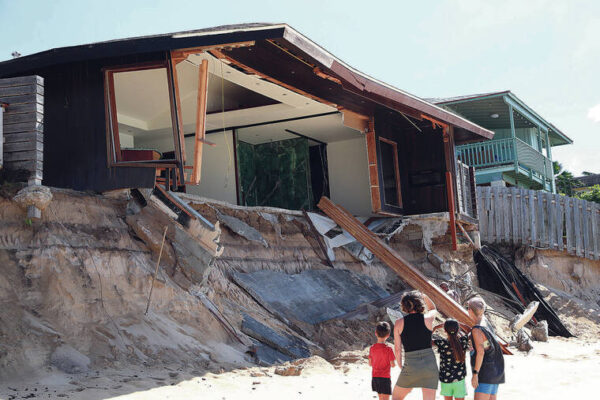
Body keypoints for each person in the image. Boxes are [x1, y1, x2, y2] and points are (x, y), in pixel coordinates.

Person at [392, 291, 438, 400]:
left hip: (411, 364)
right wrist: (425, 296)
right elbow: (433, 309)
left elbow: (397, 349)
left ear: (404, 306)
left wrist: (400, 365)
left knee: (396, 397)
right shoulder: (427, 318)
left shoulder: (399, 323)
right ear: (420, 303)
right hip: (429, 364)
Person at [467, 297, 505, 399]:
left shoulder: (477, 330)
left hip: (485, 373)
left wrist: (475, 374)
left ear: (470, 310)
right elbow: (487, 346)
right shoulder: (485, 322)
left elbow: (481, 353)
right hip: (495, 371)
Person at [432, 319, 471, 400]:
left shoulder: (442, 343)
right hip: (459, 379)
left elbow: (426, 340)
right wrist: (459, 323)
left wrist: (435, 328)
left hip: (445, 380)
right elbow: (471, 331)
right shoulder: (463, 341)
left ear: (445, 330)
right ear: (458, 329)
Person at [369, 321, 396, 400]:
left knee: (380, 398)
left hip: (375, 377)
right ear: (388, 335)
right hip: (385, 378)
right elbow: (393, 365)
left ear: (375, 333)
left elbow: (370, 364)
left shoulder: (372, 348)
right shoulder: (389, 349)